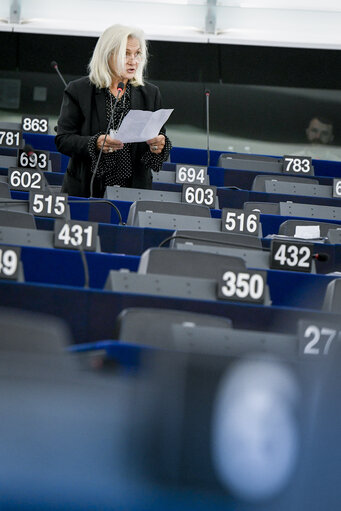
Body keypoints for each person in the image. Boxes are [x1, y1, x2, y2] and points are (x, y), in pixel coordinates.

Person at [55, 24, 172, 197]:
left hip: (134, 191)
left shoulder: (150, 94)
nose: (133, 61)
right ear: (107, 54)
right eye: (126, 53)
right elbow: (63, 140)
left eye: (137, 53)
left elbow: (158, 136)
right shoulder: (79, 90)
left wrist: (159, 145)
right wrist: (95, 142)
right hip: (88, 187)